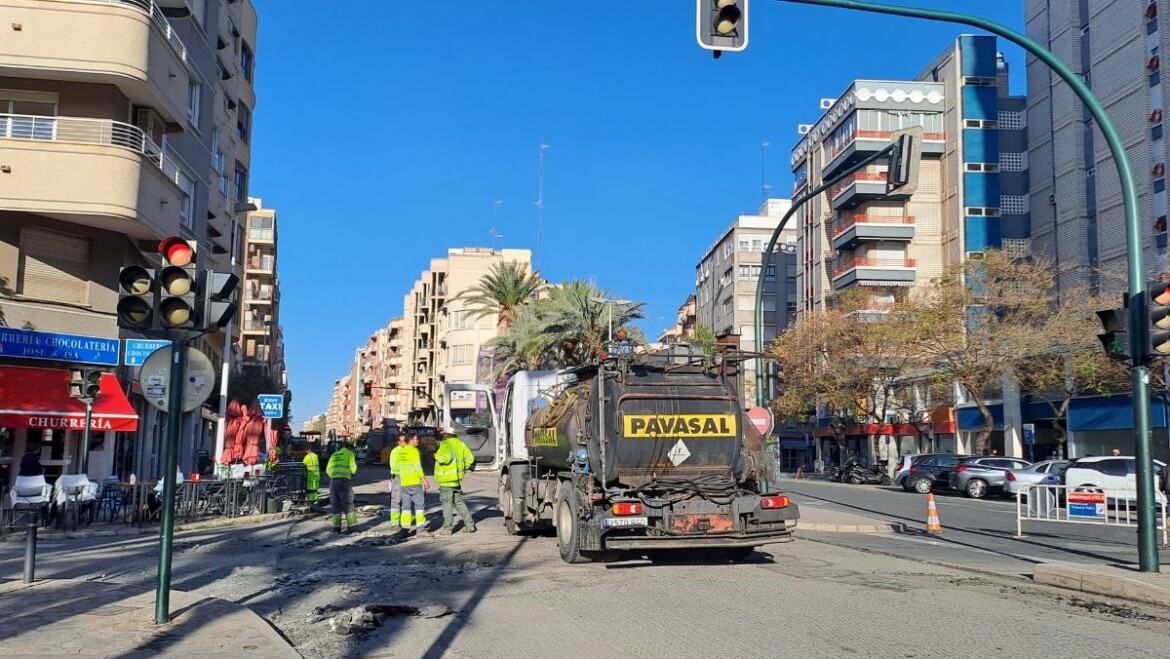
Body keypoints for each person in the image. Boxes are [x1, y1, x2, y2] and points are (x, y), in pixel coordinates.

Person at [433, 429, 477, 535]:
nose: (442, 438)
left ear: (446, 435)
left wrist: (435, 455)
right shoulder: (461, 444)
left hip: (446, 480)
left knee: (447, 504)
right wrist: (464, 468)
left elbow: (445, 459)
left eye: (443, 435)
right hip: (456, 480)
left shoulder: (445, 444)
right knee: (459, 502)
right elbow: (470, 459)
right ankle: (470, 525)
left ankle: (447, 528)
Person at [398, 434, 431, 537]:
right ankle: (420, 529)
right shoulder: (414, 451)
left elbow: (399, 467)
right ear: (411, 440)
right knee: (419, 507)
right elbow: (417, 467)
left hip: (404, 484)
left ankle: (404, 529)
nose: (418, 441)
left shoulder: (401, 452)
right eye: (416, 439)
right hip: (414, 483)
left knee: (406, 508)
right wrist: (424, 480)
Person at [326, 441, 358, 533]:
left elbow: (328, 470)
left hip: (333, 482)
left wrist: (335, 475)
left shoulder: (334, 454)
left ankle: (336, 529)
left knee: (335, 506)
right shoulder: (349, 454)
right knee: (348, 505)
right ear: (350, 448)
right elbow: (353, 469)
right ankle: (352, 528)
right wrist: (349, 474)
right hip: (344, 482)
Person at [387, 434, 408, 531]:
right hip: (398, 477)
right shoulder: (395, 451)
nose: (404, 443)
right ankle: (395, 523)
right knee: (396, 500)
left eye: (405, 440)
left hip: (408, 478)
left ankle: (404, 522)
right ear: (399, 442)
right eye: (402, 441)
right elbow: (393, 466)